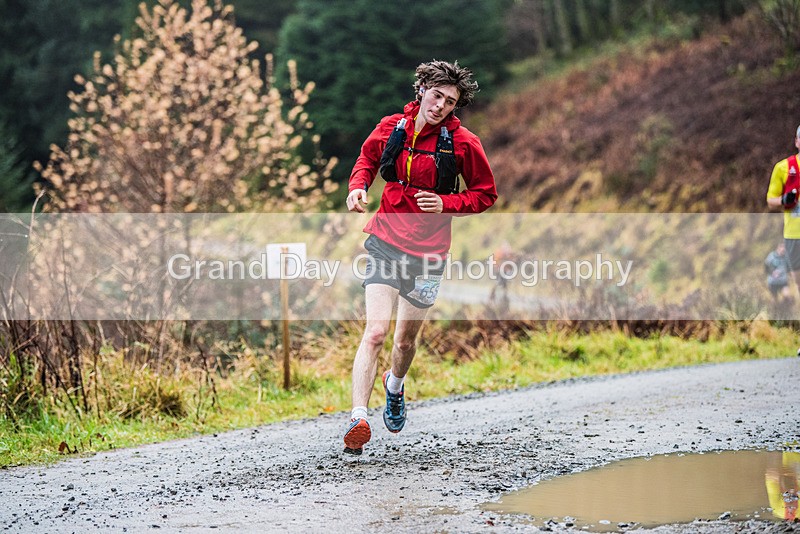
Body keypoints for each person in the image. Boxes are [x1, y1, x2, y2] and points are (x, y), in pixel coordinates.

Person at [343, 60, 497, 455]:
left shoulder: (464, 143)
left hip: (429, 253)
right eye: (437, 95)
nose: (441, 105)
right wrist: (358, 187)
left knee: (404, 342)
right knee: (376, 332)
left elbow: (485, 194)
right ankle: (358, 419)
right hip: (385, 241)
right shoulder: (392, 127)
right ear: (422, 89)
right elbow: (367, 161)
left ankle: (394, 385)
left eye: (450, 101)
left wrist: (447, 203)